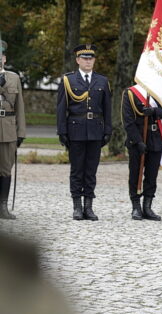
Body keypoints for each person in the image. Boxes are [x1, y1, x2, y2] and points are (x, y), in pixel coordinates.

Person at [56, 44, 112, 221]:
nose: (88, 61)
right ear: (78, 60)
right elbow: (61, 108)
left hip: (95, 129)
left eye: (91, 58)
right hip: (76, 129)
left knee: (91, 170)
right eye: (85, 58)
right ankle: (77, 207)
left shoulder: (102, 81)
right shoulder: (68, 80)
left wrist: (108, 130)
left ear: (94, 60)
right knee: (77, 170)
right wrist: (62, 131)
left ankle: (89, 206)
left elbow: (107, 108)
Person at [121, 84, 162, 220]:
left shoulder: (161, 92)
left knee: (151, 175)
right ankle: (136, 206)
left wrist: (154, 111)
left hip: (155, 137)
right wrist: (138, 141)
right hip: (137, 138)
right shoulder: (130, 93)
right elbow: (128, 120)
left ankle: (147, 207)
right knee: (135, 174)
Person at [0, 40, 26, 220]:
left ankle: (3, 207)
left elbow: (20, 107)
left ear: (4, 58)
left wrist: (21, 132)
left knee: (5, 169)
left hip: (7, 129)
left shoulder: (14, 78)